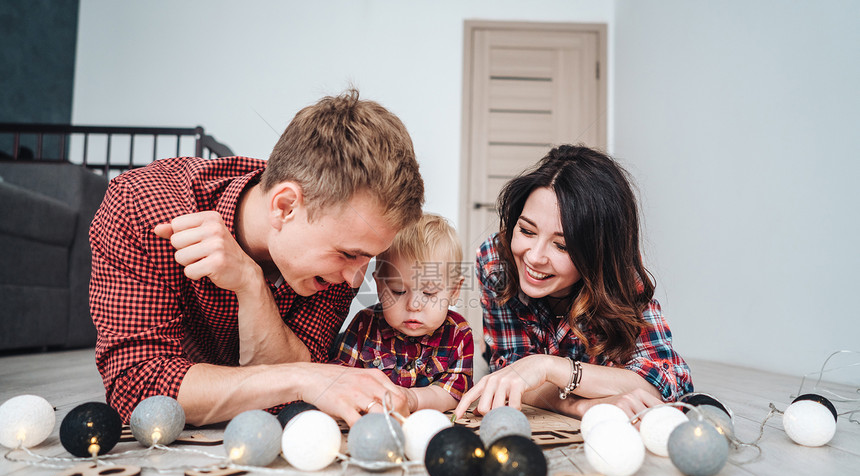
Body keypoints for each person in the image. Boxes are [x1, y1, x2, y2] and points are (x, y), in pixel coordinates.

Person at [89, 90, 424, 427]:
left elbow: (295, 385)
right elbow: (137, 390)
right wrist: (301, 378)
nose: (355, 279)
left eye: (368, 258)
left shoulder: (337, 260)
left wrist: (251, 287)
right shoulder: (142, 205)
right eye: (349, 254)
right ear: (284, 206)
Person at [453, 145, 693, 421]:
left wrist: (548, 367)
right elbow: (511, 371)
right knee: (495, 361)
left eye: (562, 246)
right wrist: (581, 406)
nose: (534, 257)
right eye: (526, 230)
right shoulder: (496, 260)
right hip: (549, 366)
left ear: (598, 253)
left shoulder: (621, 276)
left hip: (578, 363)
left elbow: (668, 380)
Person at [332, 214, 474, 413]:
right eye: (398, 291)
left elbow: (455, 391)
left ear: (454, 291)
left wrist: (413, 399)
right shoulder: (365, 325)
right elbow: (340, 381)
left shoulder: (458, 333)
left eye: (429, 293)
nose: (414, 305)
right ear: (381, 287)